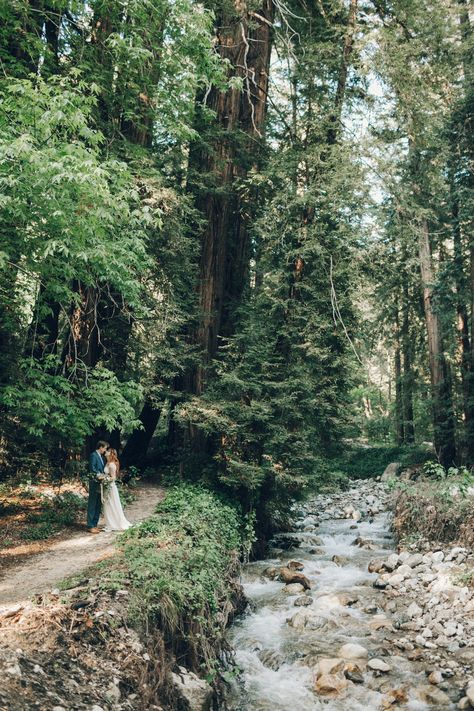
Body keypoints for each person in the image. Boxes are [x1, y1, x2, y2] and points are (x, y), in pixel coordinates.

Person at [102, 448, 131, 532]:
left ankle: (114, 524)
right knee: (108, 505)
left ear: (111, 454)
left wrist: (105, 479)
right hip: (107, 486)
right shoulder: (107, 463)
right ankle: (110, 523)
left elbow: (113, 477)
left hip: (110, 487)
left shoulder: (111, 465)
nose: (106, 452)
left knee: (111, 504)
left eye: (107, 451)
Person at [87, 440, 108, 533]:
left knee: (98, 504)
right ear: (100, 447)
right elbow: (92, 469)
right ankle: (90, 525)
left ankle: (95, 524)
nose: (105, 450)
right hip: (94, 482)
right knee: (92, 504)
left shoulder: (101, 457)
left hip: (101, 483)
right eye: (105, 448)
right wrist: (100, 476)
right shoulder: (93, 455)